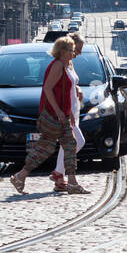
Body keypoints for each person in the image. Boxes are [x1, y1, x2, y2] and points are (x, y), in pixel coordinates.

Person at [10, 36, 88, 195]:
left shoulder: (65, 65)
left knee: (70, 144)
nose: (73, 54)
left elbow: (66, 90)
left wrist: (69, 113)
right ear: (62, 51)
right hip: (53, 115)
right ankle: (20, 176)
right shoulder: (57, 65)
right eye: (71, 51)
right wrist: (59, 111)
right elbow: (47, 88)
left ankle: (71, 182)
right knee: (45, 148)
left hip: (63, 114)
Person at [51, 34, 88, 193]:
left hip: (75, 108)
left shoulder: (70, 63)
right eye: (77, 49)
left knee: (66, 146)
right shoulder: (60, 64)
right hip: (67, 110)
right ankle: (59, 173)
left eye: (79, 50)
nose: (78, 52)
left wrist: (78, 89)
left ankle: (59, 177)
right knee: (78, 142)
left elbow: (71, 82)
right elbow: (55, 87)